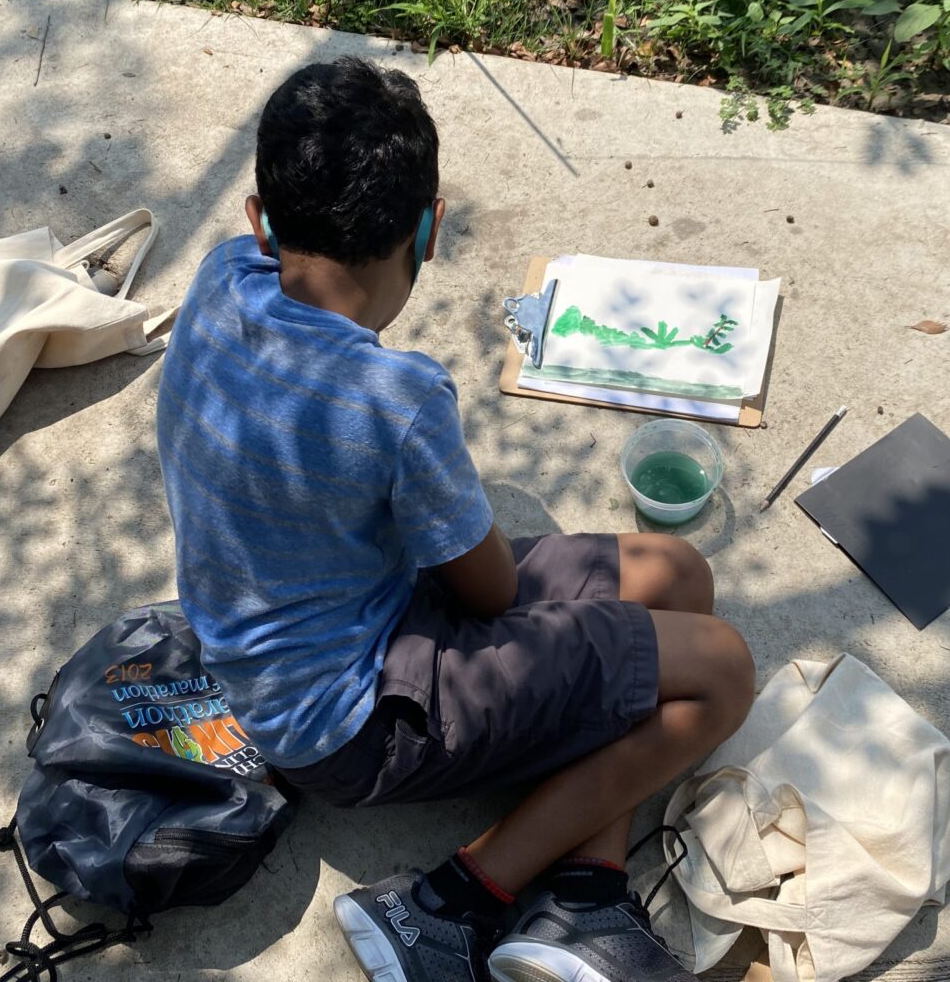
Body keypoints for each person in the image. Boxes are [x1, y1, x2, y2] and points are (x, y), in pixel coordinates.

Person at [155, 57, 755, 982]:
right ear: (428, 233)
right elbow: (492, 591)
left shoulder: (220, 276)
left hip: (330, 631)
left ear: (256, 219)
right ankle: (448, 906)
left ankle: (586, 891)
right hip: (351, 724)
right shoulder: (393, 398)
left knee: (679, 577)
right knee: (719, 671)